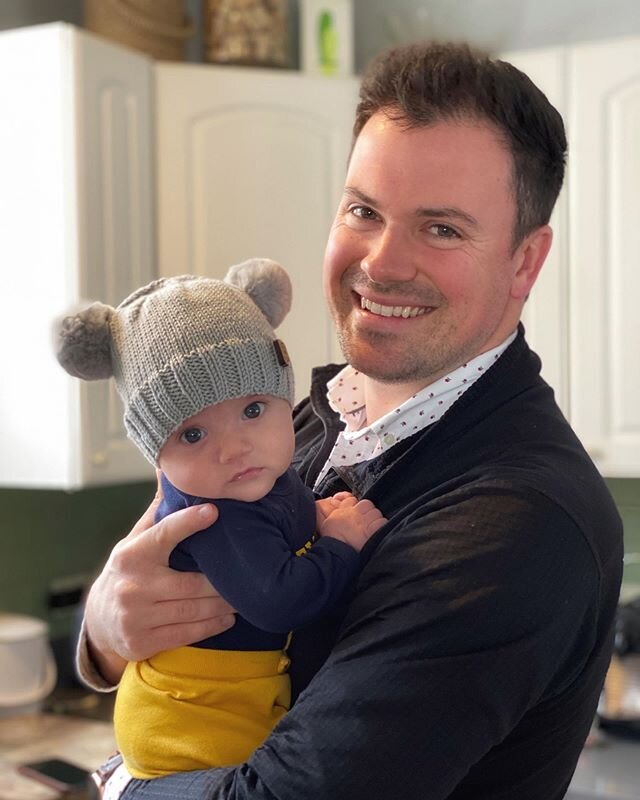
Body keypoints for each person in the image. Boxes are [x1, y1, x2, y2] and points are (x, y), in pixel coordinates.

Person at [76, 41, 624, 800]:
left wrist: (119, 783)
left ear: (524, 262)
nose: (382, 262)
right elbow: (155, 572)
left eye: (442, 229)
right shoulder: (296, 418)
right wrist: (103, 636)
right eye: (364, 210)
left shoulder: (515, 518)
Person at [55, 259, 385, 784]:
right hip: (191, 726)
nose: (235, 449)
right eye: (192, 434)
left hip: (227, 709)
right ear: (156, 459)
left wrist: (311, 525)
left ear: (280, 396)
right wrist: (339, 544)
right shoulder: (218, 513)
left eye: (254, 409)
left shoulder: (266, 476)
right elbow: (282, 601)